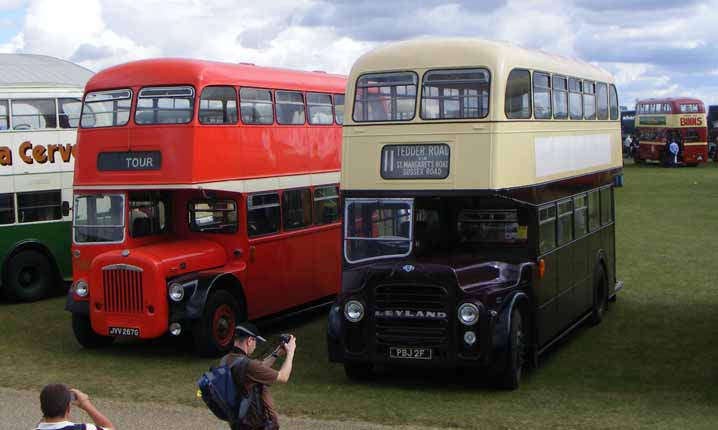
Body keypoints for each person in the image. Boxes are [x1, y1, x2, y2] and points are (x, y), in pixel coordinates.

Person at [223, 323, 296, 430]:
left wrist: (276, 354)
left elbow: (258, 368)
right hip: (256, 424)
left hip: (239, 422)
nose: (255, 345)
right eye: (255, 342)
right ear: (249, 340)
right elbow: (283, 377)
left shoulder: (227, 360)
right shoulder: (247, 365)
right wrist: (291, 352)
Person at [36, 384, 115, 430]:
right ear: (68, 409)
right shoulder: (84, 428)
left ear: (42, 408)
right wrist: (86, 404)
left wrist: (49, 405)